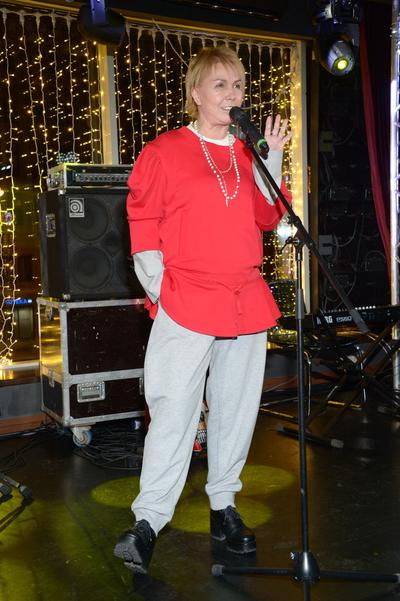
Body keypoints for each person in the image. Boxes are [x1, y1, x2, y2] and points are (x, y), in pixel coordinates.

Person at [113, 44, 292, 574]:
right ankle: (148, 521)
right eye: (221, 85)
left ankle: (224, 506)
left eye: (238, 85)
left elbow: (269, 217)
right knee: (173, 408)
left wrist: (272, 157)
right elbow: (143, 222)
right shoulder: (165, 151)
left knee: (236, 408)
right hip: (186, 297)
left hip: (244, 298)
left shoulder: (248, 151)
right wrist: (160, 290)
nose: (233, 94)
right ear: (195, 93)